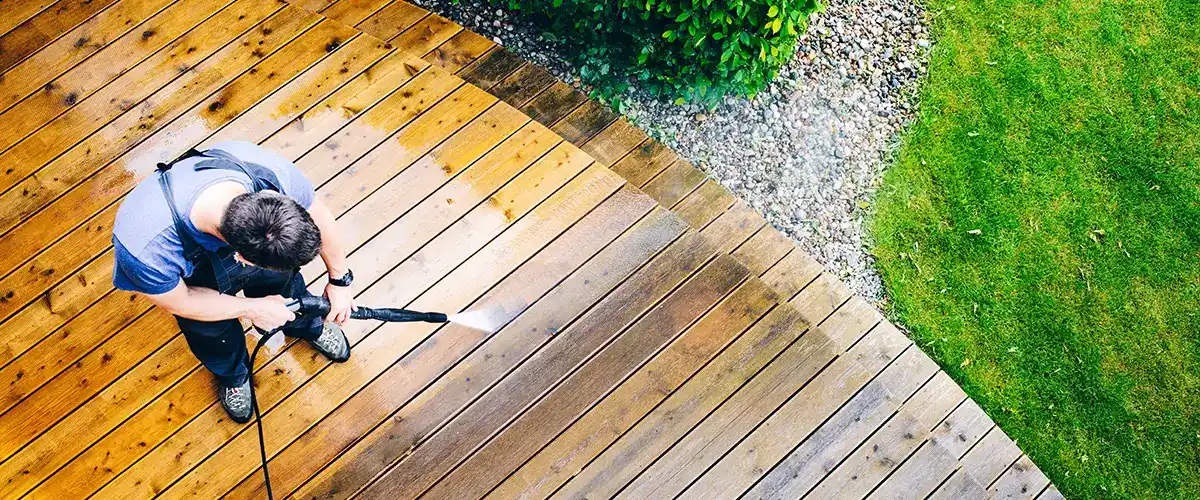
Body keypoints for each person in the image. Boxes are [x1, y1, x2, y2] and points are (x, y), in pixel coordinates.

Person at [111, 141, 355, 423]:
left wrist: (340, 280)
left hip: (250, 254)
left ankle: (307, 326)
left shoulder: (270, 174)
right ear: (242, 258)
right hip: (194, 285)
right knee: (212, 333)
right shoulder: (145, 248)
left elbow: (318, 214)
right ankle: (234, 374)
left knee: (288, 289)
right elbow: (182, 301)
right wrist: (251, 309)